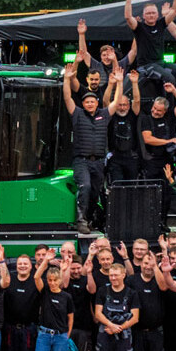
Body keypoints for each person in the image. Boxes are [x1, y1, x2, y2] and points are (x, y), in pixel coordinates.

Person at [64, 26, 115, 233]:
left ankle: (92, 218)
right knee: (84, 187)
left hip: (99, 157)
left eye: (93, 101)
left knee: (96, 191)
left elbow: (112, 101)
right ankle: (81, 220)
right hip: (82, 157)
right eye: (91, 79)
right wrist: (70, 72)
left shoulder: (103, 107)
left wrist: (117, 82)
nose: (91, 103)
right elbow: (69, 93)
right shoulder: (79, 107)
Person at [123, 0, 176, 96]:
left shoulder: (161, 24)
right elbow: (128, 17)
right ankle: (166, 106)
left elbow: (175, 10)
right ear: (143, 16)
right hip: (146, 66)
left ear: (157, 14)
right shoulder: (139, 27)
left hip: (161, 63)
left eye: (153, 13)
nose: (151, 15)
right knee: (169, 78)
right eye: (148, 13)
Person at [90, 259, 139, 351]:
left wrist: (119, 328)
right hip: (105, 334)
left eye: (116, 275)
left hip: (124, 337)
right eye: (111, 275)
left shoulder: (131, 293)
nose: (113, 278)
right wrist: (111, 325)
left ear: (123, 275)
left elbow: (135, 317)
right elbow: (98, 313)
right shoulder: (102, 291)